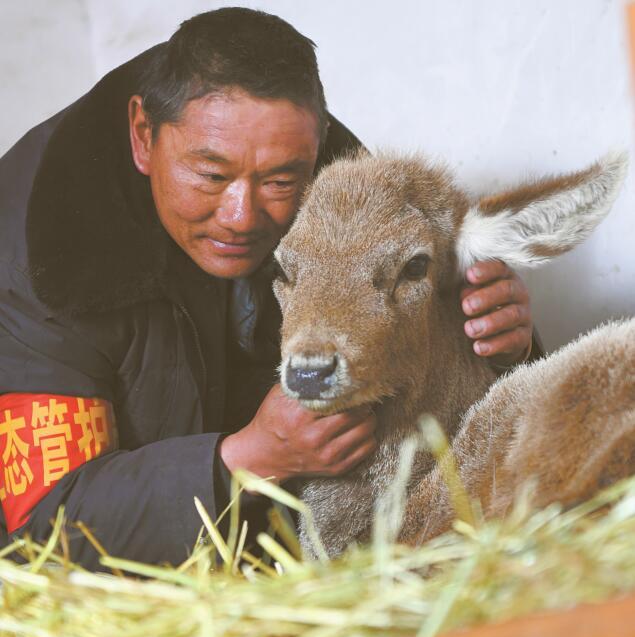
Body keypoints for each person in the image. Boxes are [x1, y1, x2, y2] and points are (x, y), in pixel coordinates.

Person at [0, 8, 538, 570]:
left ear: (316, 145)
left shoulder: (339, 186)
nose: (241, 215)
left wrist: (505, 341)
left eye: (280, 180)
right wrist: (245, 461)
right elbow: (45, 530)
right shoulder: (33, 253)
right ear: (143, 136)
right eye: (210, 175)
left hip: (285, 574)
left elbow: (426, 371)